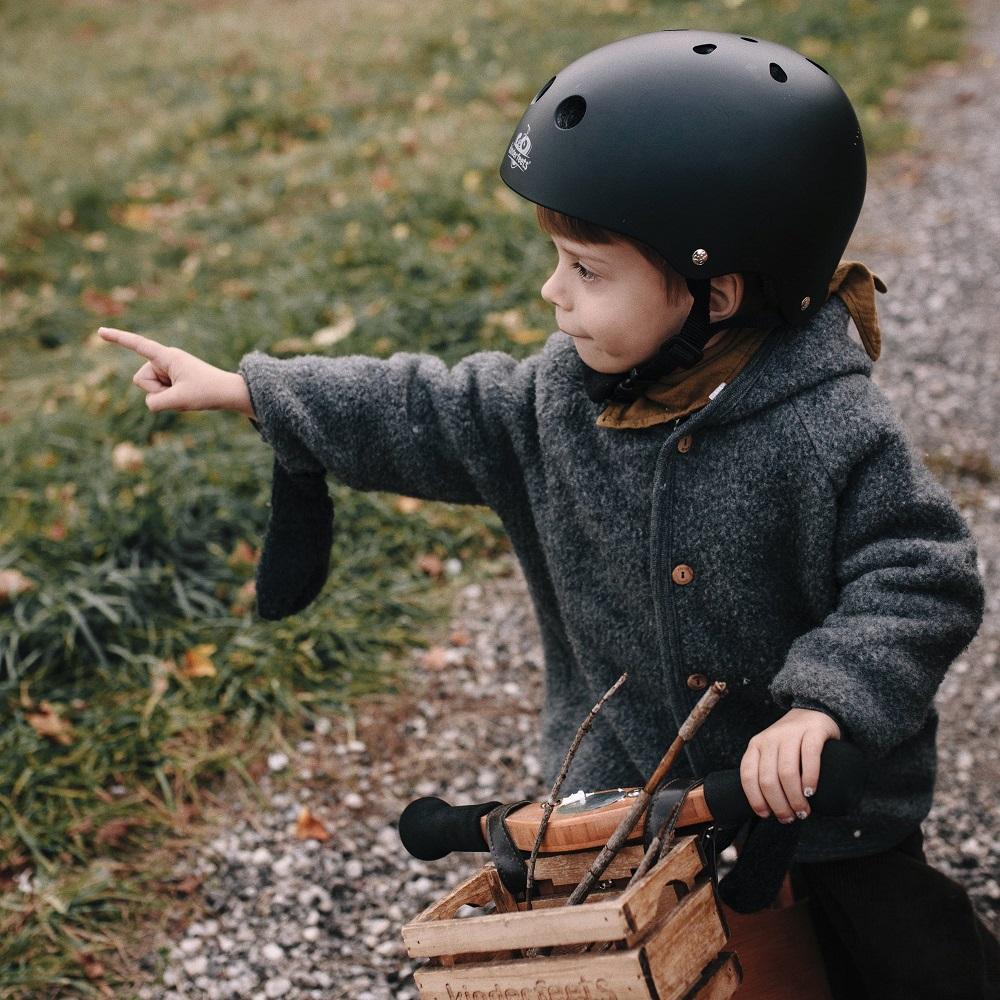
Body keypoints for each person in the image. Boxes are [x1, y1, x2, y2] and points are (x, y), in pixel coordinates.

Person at [99, 30, 998, 998]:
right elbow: (425, 410)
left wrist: (824, 702)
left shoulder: (824, 420)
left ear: (715, 292)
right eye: (557, 261)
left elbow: (921, 570)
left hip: (820, 808)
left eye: (585, 270)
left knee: (911, 960)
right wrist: (250, 391)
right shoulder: (559, 400)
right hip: (628, 802)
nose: (550, 293)